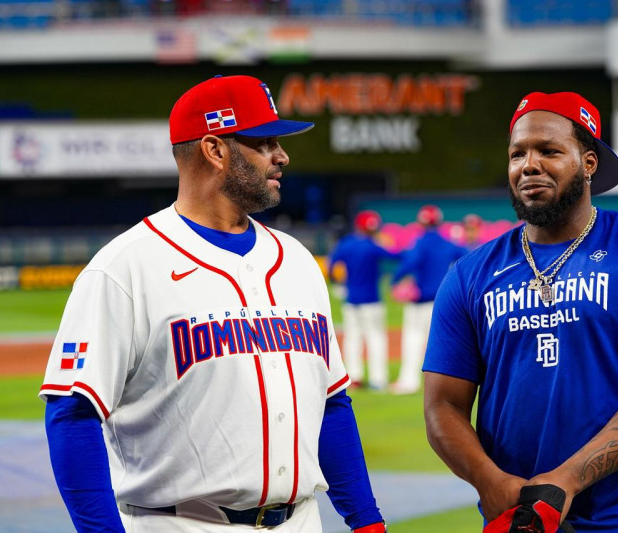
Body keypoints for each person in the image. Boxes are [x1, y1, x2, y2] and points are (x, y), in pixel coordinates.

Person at [39, 75, 386, 533]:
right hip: (181, 524)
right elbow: (72, 413)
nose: (282, 156)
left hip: (301, 521)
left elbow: (332, 404)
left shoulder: (297, 260)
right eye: (264, 142)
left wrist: (366, 521)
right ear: (215, 150)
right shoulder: (125, 268)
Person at [422, 91, 618, 532]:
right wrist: (490, 481)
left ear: (589, 162)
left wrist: (567, 480)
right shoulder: (469, 274)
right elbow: (442, 404)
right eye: (517, 153)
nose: (529, 165)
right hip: (521, 519)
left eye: (549, 150)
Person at [388, 204, 468, 395]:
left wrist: (395, 280)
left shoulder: (421, 242)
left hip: (421, 301)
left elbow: (410, 263)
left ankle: (409, 381)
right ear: (439, 222)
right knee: (443, 342)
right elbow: (466, 256)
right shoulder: (447, 243)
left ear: (421, 222)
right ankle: (449, 383)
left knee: (413, 339)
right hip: (443, 302)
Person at [329, 210, 399, 390]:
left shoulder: (346, 244)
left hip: (351, 300)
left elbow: (332, 265)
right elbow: (395, 256)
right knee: (376, 339)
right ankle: (378, 380)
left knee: (353, 339)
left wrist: (337, 282)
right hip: (372, 301)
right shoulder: (372, 245)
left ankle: (354, 378)